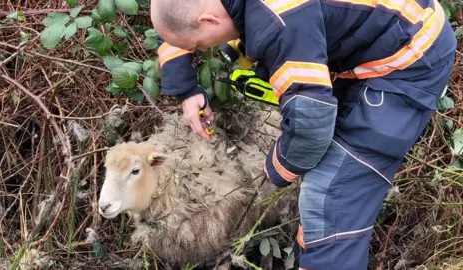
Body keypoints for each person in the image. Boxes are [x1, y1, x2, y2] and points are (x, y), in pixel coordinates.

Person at [150, 0, 457, 269]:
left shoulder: (280, 23)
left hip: (409, 60)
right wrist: (186, 88)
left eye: (200, 46)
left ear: (209, 20)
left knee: (331, 195)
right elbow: (178, 13)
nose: (203, 52)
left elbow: (310, 129)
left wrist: (273, 171)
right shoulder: (233, 12)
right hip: (380, 30)